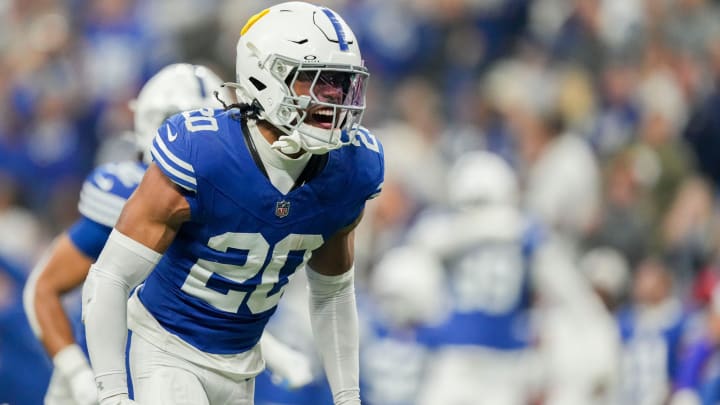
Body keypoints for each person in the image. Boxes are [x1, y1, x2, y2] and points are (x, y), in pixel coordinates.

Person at [82, 2, 383, 405]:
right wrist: (113, 394)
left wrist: (348, 396)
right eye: (315, 80)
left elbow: (332, 292)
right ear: (265, 77)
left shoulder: (352, 167)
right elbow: (111, 276)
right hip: (169, 348)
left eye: (341, 83)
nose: (332, 97)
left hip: (244, 360)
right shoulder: (204, 151)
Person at [24, 63, 312, 405]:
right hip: (109, 376)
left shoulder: (233, 197)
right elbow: (43, 288)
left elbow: (197, 307)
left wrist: (275, 353)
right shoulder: (129, 195)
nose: (198, 141)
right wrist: (77, 375)